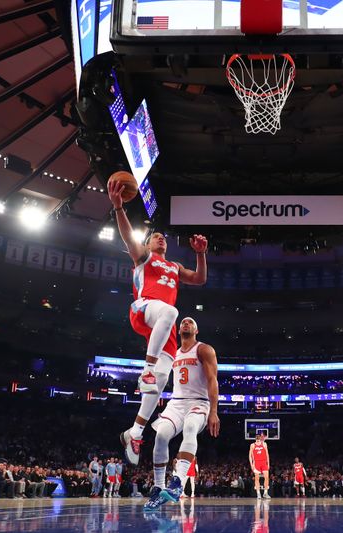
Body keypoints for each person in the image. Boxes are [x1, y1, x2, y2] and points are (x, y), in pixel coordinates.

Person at [109, 178, 209, 466]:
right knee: (171, 312)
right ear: (148, 243)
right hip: (144, 310)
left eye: (163, 237)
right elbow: (129, 237)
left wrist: (201, 254)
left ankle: (135, 431)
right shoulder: (143, 257)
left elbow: (200, 279)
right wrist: (118, 209)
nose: (161, 238)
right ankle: (148, 367)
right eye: (155, 236)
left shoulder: (175, 267)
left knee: (161, 382)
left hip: (162, 326)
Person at [143, 317, 220, 511]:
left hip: (199, 402)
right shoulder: (172, 354)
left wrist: (214, 411)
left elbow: (212, 380)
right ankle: (158, 487)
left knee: (191, 427)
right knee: (160, 435)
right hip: (176, 403)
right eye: (183, 322)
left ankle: (178, 482)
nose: (186, 323)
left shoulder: (204, 349)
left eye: (190, 322)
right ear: (178, 330)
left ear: (197, 329)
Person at [250, 433, 271, 499]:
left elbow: (267, 454)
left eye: (259, 437)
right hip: (257, 463)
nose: (258, 437)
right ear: (255, 438)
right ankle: (258, 494)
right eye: (257, 437)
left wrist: (268, 463)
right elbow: (250, 455)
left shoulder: (264, 444)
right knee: (257, 478)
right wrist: (252, 464)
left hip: (264, 462)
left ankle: (265, 493)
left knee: (266, 477)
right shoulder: (252, 445)